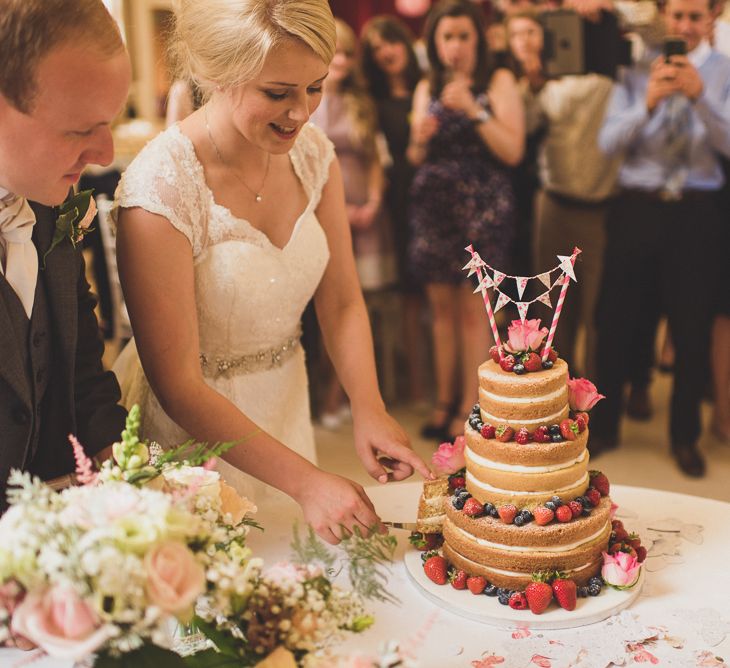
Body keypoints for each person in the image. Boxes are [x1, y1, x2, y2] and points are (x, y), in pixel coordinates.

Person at [113, 0, 431, 545]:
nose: (302, 112)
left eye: (316, 86)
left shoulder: (314, 157)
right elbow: (178, 386)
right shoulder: (160, 189)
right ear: (216, 74)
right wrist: (306, 482)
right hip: (193, 439)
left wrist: (369, 407)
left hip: (285, 405)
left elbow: (342, 302)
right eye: (277, 93)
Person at [0, 0, 129, 510]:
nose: (104, 153)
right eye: (79, 130)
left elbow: (78, 370)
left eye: (109, 122)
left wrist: (127, 471)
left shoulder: (52, 203)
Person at [594, 0, 730, 476]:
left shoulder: (725, 72)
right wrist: (647, 103)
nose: (685, 26)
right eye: (678, 16)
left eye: (695, 16)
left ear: (712, 18)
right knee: (616, 320)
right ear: (665, 18)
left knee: (691, 330)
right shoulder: (634, 70)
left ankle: (685, 437)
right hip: (637, 206)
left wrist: (701, 99)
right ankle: (605, 426)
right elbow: (607, 142)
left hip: (697, 213)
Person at [407, 0, 524, 442]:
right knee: (440, 311)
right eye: (446, 38)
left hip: (483, 206)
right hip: (434, 208)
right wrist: (419, 139)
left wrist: (476, 112)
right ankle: (443, 401)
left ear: (477, 39)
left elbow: (513, 151)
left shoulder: (498, 80)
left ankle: (469, 407)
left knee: (475, 313)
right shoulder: (427, 84)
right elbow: (415, 156)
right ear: (435, 43)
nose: (454, 46)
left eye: (462, 37)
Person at [310, 18, 395, 428]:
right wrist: (336, 209)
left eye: (347, 53)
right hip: (324, 210)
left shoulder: (363, 102)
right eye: (334, 52)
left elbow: (376, 160)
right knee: (333, 302)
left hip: (367, 214)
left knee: (363, 307)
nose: (340, 60)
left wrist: (374, 202)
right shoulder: (308, 101)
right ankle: (327, 397)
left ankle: (357, 397)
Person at [360, 15, 427, 406]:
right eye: (376, 48)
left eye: (391, 42)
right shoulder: (372, 101)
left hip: (432, 201)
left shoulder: (428, 87)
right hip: (396, 205)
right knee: (408, 299)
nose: (386, 51)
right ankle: (417, 387)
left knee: (441, 300)